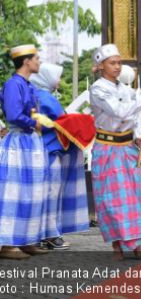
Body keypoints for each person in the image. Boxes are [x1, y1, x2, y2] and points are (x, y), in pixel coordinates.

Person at [89, 43, 141, 260]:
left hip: (126, 148)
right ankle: (117, 245)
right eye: (113, 63)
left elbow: (133, 116)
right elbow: (119, 111)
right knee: (111, 199)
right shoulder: (98, 89)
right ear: (101, 66)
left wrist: (138, 135)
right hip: (107, 149)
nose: (117, 66)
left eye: (119, 62)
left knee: (132, 197)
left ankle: (135, 244)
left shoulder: (125, 89)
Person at [30, 63, 90, 250]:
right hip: (50, 151)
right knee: (52, 194)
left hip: (38, 150)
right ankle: (52, 235)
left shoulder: (35, 95)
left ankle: (38, 235)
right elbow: (61, 120)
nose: (59, 80)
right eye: (56, 76)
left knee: (40, 194)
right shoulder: (45, 97)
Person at [0, 44, 50, 259]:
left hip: (30, 142)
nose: (39, 62)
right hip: (18, 143)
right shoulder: (14, 84)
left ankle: (27, 239)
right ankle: (7, 244)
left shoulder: (28, 85)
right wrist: (34, 123)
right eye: (36, 58)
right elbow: (12, 115)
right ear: (26, 61)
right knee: (15, 192)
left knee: (33, 192)